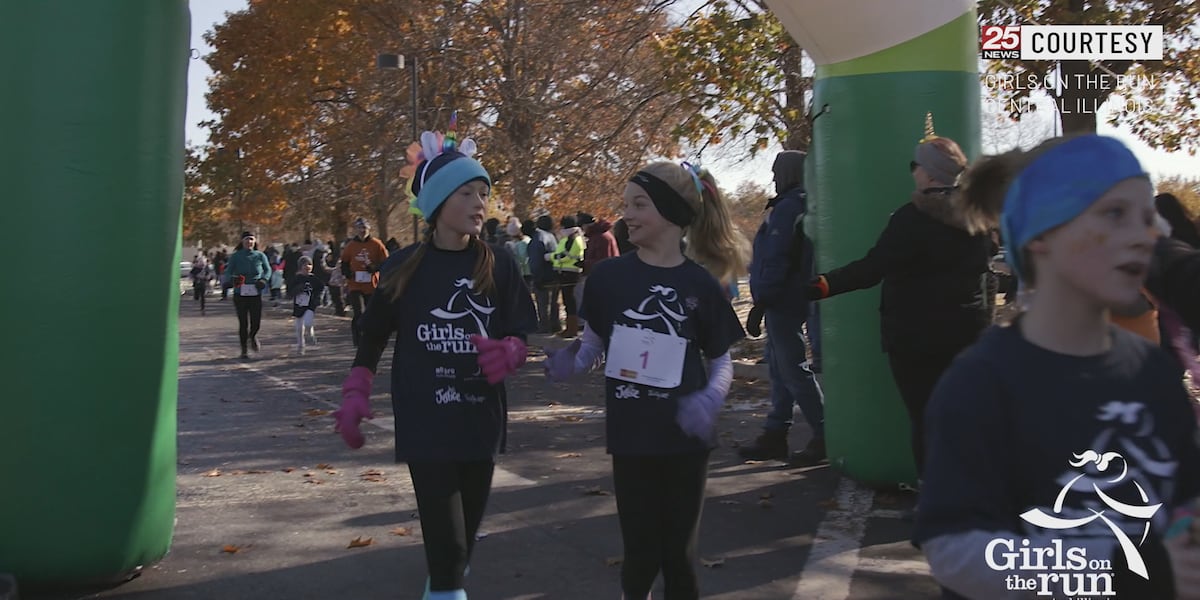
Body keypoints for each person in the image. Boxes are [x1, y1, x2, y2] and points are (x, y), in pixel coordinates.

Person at [915, 134, 1200, 599]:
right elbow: (954, 551)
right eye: (1114, 214)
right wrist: (1120, 571)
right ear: (1042, 234)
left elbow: (1183, 500)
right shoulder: (983, 381)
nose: (1142, 237)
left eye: (1148, 219)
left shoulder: (1153, 372)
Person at [333, 128, 536, 600]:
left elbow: (520, 332)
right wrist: (356, 390)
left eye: (484, 193)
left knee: (460, 548)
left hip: (480, 420)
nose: (480, 202)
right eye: (467, 192)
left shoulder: (499, 263)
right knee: (447, 556)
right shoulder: (403, 265)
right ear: (439, 201)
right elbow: (374, 334)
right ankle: (443, 588)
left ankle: (442, 584)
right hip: (426, 419)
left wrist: (511, 352)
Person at [545, 161, 746, 600]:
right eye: (626, 204)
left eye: (640, 205)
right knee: (640, 557)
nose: (627, 215)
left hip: (685, 442)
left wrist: (711, 398)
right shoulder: (609, 278)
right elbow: (592, 348)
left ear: (672, 213)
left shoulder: (703, 284)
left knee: (679, 559)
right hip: (632, 436)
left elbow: (721, 360)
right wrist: (568, 363)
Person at [807, 129, 994, 476]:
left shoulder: (912, 219)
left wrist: (821, 286)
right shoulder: (979, 219)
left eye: (915, 165)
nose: (913, 171)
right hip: (968, 334)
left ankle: (934, 499)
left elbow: (872, 268)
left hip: (916, 338)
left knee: (925, 419)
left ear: (928, 173)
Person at [738, 150, 827, 464]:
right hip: (789, 296)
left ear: (789, 173)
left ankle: (823, 432)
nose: (773, 177)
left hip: (783, 298)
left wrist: (762, 300)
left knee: (791, 368)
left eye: (777, 172)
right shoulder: (800, 204)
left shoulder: (789, 207)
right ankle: (775, 433)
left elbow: (776, 256)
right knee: (780, 369)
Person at [340, 217, 389, 347]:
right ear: (355, 230)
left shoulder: (377, 244)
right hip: (355, 285)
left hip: (371, 285)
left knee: (371, 313)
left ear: (369, 229)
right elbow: (344, 262)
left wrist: (374, 268)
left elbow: (386, 262)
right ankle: (358, 339)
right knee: (359, 312)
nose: (362, 231)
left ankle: (371, 337)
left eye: (364, 228)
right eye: (359, 228)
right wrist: (347, 273)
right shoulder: (351, 245)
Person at [227, 232, 271, 359]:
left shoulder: (260, 255)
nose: (249, 242)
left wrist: (264, 280)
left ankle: (252, 336)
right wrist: (233, 279)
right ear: (242, 241)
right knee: (243, 322)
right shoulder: (236, 256)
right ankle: (244, 349)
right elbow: (228, 271)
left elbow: (268, 270)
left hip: (255, 291)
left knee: (256, 321)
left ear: (255, 241)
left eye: (251, 239)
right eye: (247, 239)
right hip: (240, 292)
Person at [550, 215, 586, 338]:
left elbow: (565, 255)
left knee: (569, 301)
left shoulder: (573, 239)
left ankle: (572, 329)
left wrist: (552, 257)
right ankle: (570, 328)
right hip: (567, 272)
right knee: (568, 300)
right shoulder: (572, 238)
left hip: (569, 273)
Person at [527, 215, 560, 333]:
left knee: (543, 303)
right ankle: (555, 325)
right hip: (555, 274)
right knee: (554, 303)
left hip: (543, 276)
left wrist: (537, 278)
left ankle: (544, 327)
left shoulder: (537, 239)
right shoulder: (553, 237)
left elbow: (535, 262)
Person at [290, 256, 324, 356]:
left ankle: (311, 333)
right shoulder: (297, 278)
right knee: (299, 327)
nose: (307, 266)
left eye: (309, 264)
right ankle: (301, 346)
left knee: (308, 323)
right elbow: (290, 290)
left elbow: (321, 288)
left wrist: (318, 298)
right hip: (299, 305)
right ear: (300, 266)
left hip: (310, 305)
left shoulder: (314, 279)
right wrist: (297, 289)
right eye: (305, 264)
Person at [507, 219, 533, 288]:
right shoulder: (528, 240)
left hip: (523, 272)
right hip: (529, 270)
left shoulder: (519, 244)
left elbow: (522, 258)